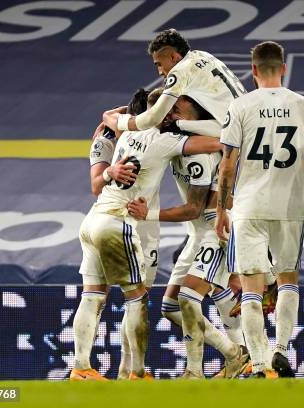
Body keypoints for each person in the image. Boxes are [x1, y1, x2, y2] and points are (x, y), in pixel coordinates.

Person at [71, 88, 221, 381]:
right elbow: (218, 141)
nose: (172, 118)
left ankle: (81, 367)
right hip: (119, 222)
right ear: (160, 115)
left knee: (91, 296)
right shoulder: (164, 139)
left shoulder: (125, 132)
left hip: (91, 220)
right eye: (169, 113)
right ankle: (137, 372)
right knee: (136, 298)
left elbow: (110, 118)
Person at [216, 41, 304, 378]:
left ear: (254, 69)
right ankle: (280, 349)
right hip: (290, 205)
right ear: (284, 68)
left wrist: (221, 209)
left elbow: (227, 166)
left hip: (249, 205)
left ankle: (260, 365)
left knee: (251, 287)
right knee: (288, 278)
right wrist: (284, 171)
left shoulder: (240, 106)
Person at [127, 95, 249, 379]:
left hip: (217, 230)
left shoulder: (200, 153)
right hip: (197, 235)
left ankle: (196, 371)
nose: (166, 117)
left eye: (173, 111)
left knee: (189, 298)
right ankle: (235, 353)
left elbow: (195, 207)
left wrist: (150, 215)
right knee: (170, 307)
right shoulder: (177, 144)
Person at [102, 28, 245, 136]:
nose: (160, 71)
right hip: (250, 120)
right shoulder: (203, 55)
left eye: (159, 64)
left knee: (171, 126)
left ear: (174, 57)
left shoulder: (180, 71)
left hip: (236, 132)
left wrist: (120, 122)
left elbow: (153, 118)